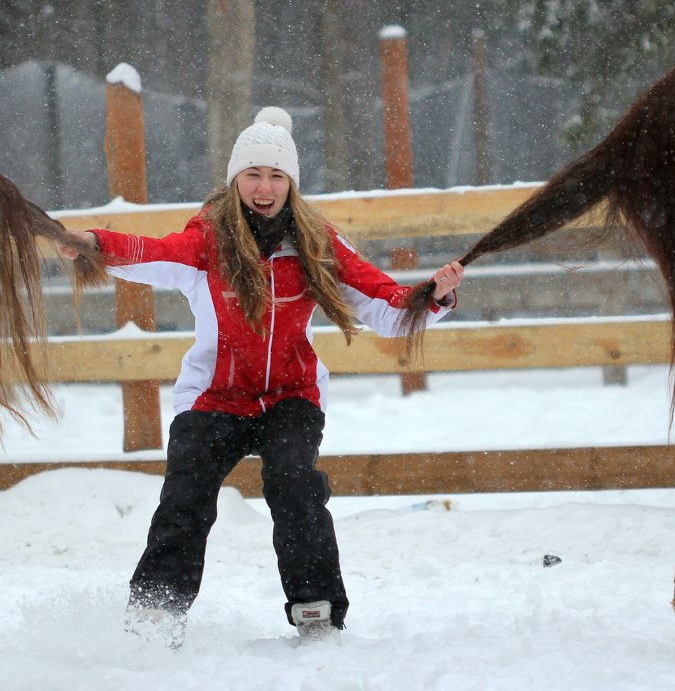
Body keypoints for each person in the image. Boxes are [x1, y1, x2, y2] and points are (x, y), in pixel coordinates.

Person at [59, 106, 464, 644]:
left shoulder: (317, 245)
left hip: (291, 396)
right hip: (214, 397)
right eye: (253, 174)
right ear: (235, 180)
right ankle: (157, 611)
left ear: (290, 183)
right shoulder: (207, 241)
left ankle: (315, 608)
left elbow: (385, 305)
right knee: (186, 494)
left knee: (294, 484)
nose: (264, 186)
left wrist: (432, 296)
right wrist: (93, 242)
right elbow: (150, 253)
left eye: (276, 175)